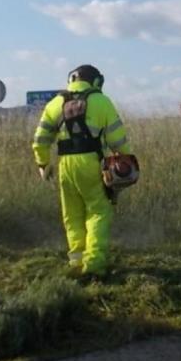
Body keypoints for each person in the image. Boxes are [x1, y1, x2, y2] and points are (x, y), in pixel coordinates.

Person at [32, 64, 132, 278]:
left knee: (73, 214)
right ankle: (94, 265)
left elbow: (39, 140)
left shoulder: (55, 104)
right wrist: (127, 159)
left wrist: (43, 164)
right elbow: (118, 139)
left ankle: (76, 261)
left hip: (65, 165)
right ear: (95, 82)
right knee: (99, 211)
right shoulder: (102, 102)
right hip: (93, 163)